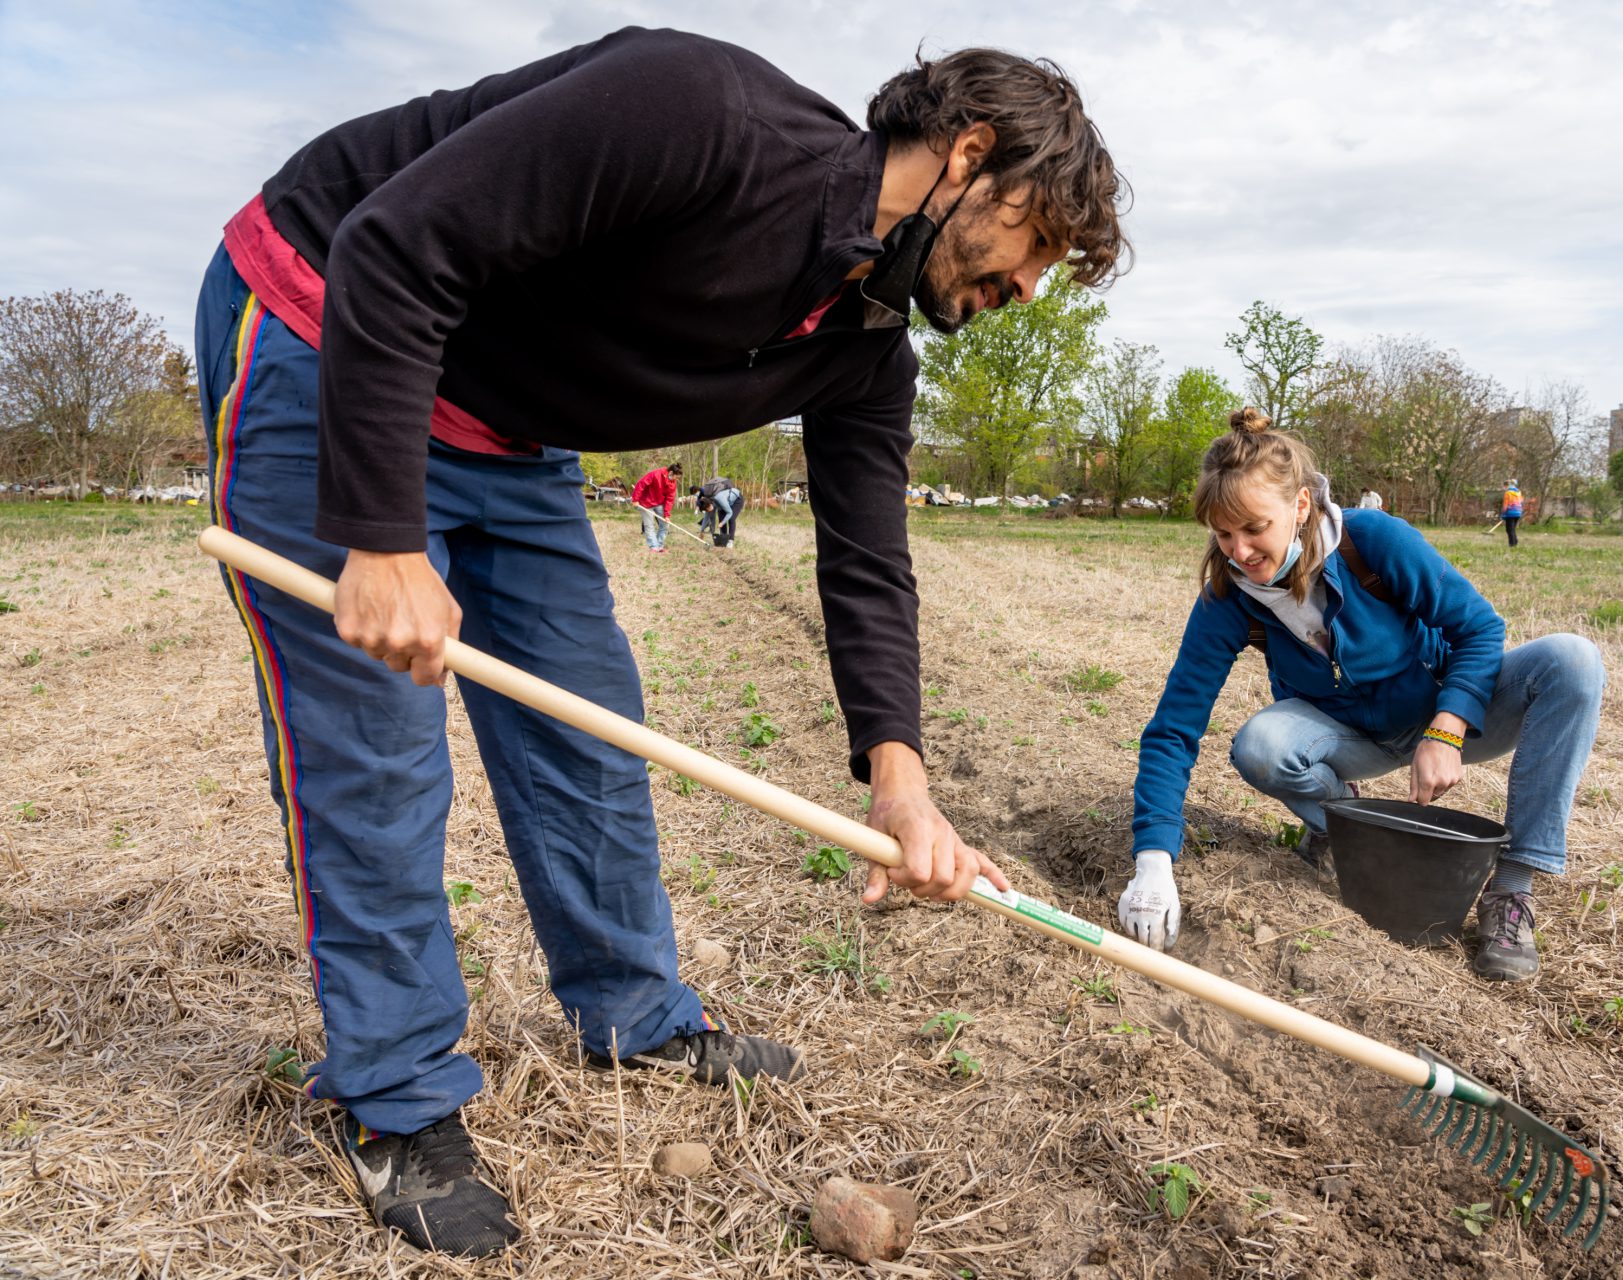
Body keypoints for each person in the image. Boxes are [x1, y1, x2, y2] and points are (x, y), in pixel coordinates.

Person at [195, 28, 1127, 1257]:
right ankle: (396, 1098)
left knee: (591, 725)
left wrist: (902, 783)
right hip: (331, 325)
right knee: (377, 754)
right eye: (1033, 249)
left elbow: (866, 561)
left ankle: (633, 1010)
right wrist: (376, 532)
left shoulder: (863, 354)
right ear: (970, 155)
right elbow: (395, 243)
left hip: (506, 422)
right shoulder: (702, 114)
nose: (1026, 290)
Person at [1117, 410, 1604, 986]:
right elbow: (1175, 725)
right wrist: (1152, 861)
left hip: (1443, 712)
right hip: (1349, 736)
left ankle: (1510, 891)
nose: (1239, 551)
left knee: (1572, 660)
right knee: (1261, 745)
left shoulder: (1373, 541)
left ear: (1300, 507)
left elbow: (1478, 628)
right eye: (1223, 534)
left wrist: (1447, 727)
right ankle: (1341, 822)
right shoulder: (1228, 597)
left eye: (1254, 528)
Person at [632, 461, 682, 553]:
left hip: (659, 503)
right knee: (649, 525)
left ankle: (659, 545)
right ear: (671, 473)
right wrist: (635, 499)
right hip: (646, 503)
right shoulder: (656, 474)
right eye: (676, 477)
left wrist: (667, 515)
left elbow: (670, 499)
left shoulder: (672, 483)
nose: (676, 479)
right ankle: (654, 547)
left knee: (665, 524)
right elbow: (641, 484)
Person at [697, 475, 743, 547]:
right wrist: (701, 530)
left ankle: (731, 541)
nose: (708, 511)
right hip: (727, 502)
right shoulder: (710, 502)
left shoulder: (719, 499)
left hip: (737, 499)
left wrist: (722, 523)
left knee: (731, 519)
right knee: (721, 518)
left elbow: (729, 512)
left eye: (707, 509)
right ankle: (724, 540)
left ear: (709, 505)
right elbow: (706, 517)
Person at [1500, 479, 1524, 547]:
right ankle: (1515, 541)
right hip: (1518, 512)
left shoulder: (1507, 493)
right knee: (1512, 529)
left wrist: (1503, 514)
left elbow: (1505, 505)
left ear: (1507, 485)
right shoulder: (1518, 492)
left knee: (1509, 529)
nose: (1504, 488)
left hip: (1510, 512)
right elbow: (1521, 501)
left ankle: (1512, 544)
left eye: (1504, 486)